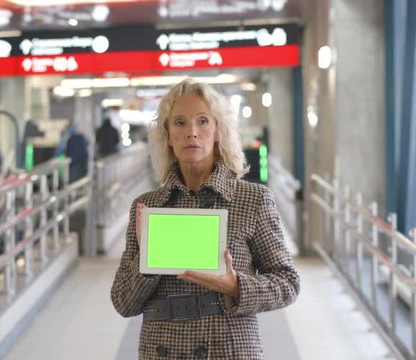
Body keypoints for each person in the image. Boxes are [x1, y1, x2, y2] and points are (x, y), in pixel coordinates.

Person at [110, 79, 300, 359]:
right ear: (168, 135)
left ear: (218, 132)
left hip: (230, 347)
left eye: (202, 121)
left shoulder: (253, 199)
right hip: (162, 349)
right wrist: (146, 262)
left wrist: (236, 286)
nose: (192, 133)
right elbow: (123, 303)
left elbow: (288, 284)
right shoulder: (147, 207)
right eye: (179, 123)